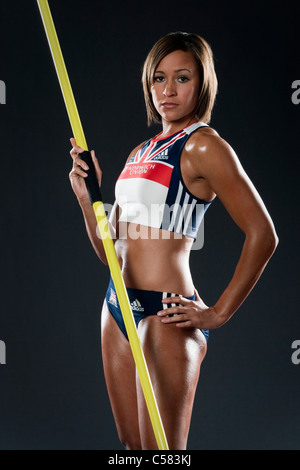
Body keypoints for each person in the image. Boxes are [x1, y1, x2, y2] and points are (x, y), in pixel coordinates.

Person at [68, 32, 278, 450]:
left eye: (182, 78)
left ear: (202, 83)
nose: (167, 90)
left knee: (164, 457)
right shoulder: (139, 152)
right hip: (117, 306)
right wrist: (86, 197)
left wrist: (217, 313)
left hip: (165, 315)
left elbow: (264, 235)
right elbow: (111, 253)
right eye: (159, 78)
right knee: (133, 453)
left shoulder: (204, 146)